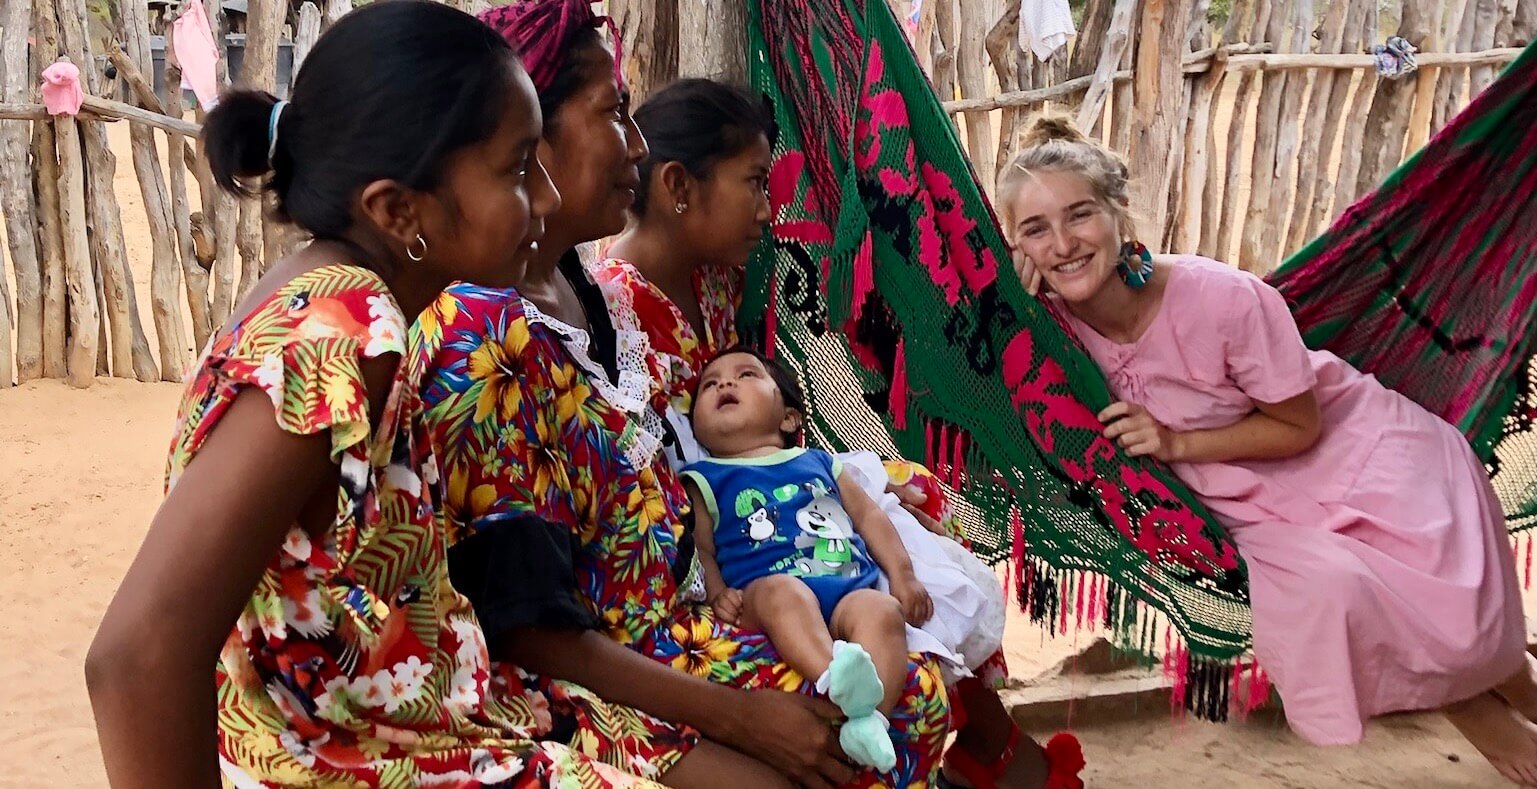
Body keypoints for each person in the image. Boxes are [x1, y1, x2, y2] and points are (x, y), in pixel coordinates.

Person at [83, 3, 664, 786]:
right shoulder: (343, 331)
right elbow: (136, 655)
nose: (548, 199)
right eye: (518, 168)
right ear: (399, 210)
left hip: (412, 731)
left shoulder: (350, 305)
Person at [415, 2, 951, 786]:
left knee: (915, 692)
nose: (635, 142)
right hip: (580, 676)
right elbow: (527, 627)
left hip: (670, 629)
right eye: (614, 113)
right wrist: (736, 715)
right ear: (526, 132)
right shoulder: (482, 333)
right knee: (828, 746)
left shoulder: (575, 292)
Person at [1002, 112, 1537, 787]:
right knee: (1338, 588)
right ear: (1015, 248)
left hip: (1343, 447)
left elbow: (1299, 425)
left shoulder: (1220, 298)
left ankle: (1512, 688)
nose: (1062, 244)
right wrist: (1012, 305)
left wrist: (1172, 440)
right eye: (1034, 229)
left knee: (1440, 575)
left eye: (1079, 215)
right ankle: (1481, 708)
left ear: (1117, 214)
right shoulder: (1044, 334)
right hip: (1247, 502)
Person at [602, 78, 1084, 789]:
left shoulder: (709, 281)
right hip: (709, 554)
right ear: (678, 187)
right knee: (907, 683)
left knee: (912, 519)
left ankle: (988, 741)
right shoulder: (612, 315)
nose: (768, 210)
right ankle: (980, 748)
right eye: (753, 185)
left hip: (764, 504)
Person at [682, 346, 935, 772]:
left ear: (789, 418)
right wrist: (719, 591)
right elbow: (701, 549)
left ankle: (870, 720)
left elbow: (869, 516)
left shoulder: (820, 462)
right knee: (785, 592)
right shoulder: (704, 479)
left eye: (746, 375)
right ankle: (837, 678)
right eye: (710, 384)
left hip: (847, 591)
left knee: (883, 611)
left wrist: (902, 576)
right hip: (765, 599)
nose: (725, 383)